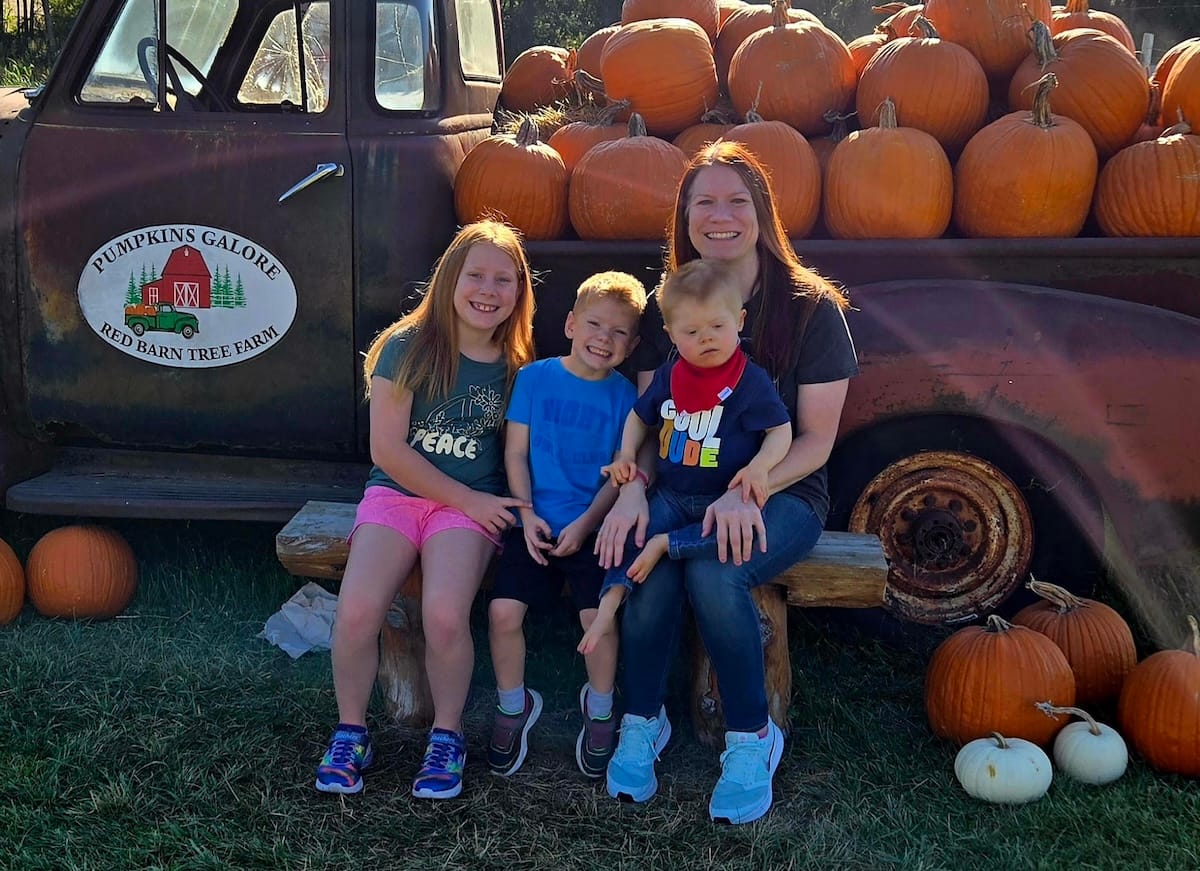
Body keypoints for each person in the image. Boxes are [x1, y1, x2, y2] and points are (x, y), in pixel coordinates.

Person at [596, 141, 859, 824]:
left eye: (736, 201)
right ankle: (640, 719)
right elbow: (658, 421)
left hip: (786, 492)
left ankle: (751, 736)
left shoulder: (809, 309)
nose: (721, 216)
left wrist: (751, 488)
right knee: (646, 567)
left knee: (718, 571)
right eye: (703, 202)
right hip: (679, 484)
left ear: (762, 212)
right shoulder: (670, 306)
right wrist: (631, 489)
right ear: (683, 218)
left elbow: (815, 441)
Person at [314, 219, 535, 800]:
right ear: (448, 279)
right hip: (399, 495)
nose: (488, 290)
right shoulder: (405, 346)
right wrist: (468, 498)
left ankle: (447, 735)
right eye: (476, 275)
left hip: (466, 513)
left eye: (504, 280)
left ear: (520, 291)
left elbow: (522, 448)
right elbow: (386, 449)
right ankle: (351, 731)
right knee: (358, 610)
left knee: (443, 615)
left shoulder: (518, 366)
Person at [578, 259, 792, 657]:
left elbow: (780, 431)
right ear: (671, 334)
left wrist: (759, 468)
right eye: (692, 331)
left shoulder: (749, 380)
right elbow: (640, 417)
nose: (706, 339)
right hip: (674, 493)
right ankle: (608, 606)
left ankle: (667, 546)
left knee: (713, 542)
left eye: (717, 327)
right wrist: (626, 454)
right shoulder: (670, 374)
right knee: (631, 538)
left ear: (740, 321)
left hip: (720, 497)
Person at [486, 271, 647, 780]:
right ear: (571, 323)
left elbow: (620, 477)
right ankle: (514, 705)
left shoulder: (627, 400)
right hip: (533, 521)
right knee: (503, 611)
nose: (604, 338)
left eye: (619, 332)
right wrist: (526, 513)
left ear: (633, 344)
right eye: (595, 324)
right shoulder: (534, 378)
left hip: (593, 528)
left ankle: (600, 709)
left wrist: (585, 525)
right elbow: (515, 452)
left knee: (595, 620)